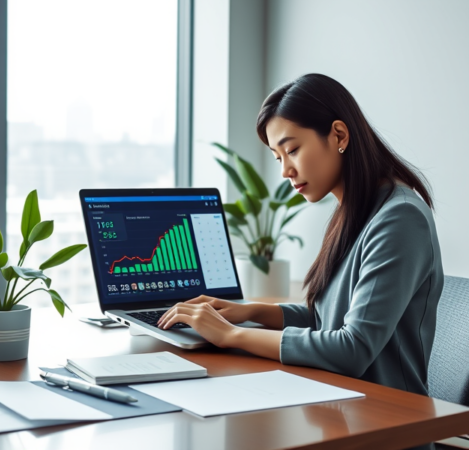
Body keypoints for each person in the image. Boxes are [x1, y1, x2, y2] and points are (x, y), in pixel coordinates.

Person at [158, 73, 444, 406]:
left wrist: (231, 335)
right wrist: (249, 312)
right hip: (337, 402)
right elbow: (326, 319)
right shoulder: (354, 212)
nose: (285, 171)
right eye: (278, 157)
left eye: (292, 150)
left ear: (339, 135)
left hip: (388, 414)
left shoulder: (400, 218)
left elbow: (353, 348)